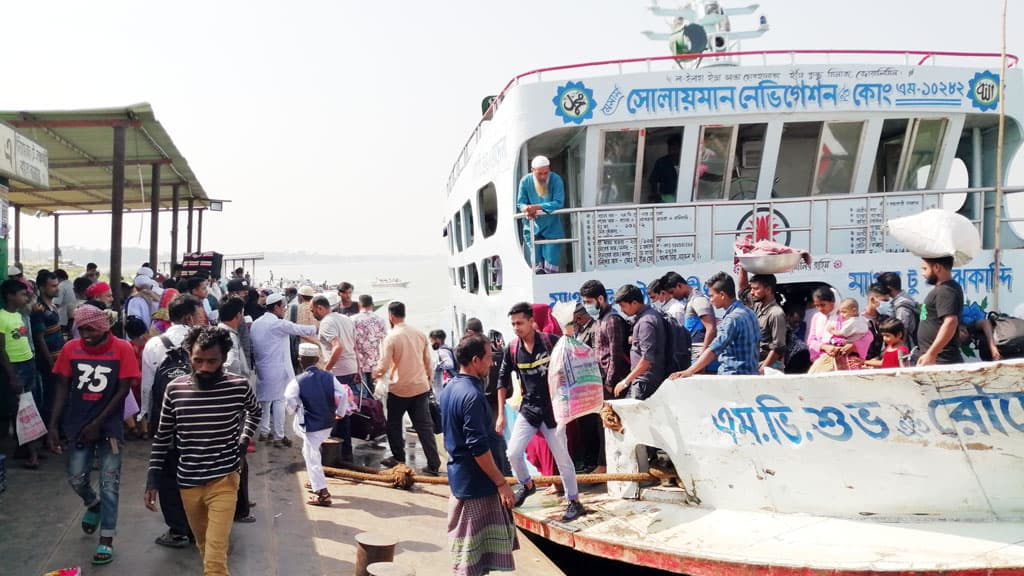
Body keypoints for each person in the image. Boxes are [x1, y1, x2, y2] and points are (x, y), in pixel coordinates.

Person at [145, 326, 261, 576]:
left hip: (225, 480)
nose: (205, 367)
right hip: (188, 483)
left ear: (223, 358)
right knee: (204, 545)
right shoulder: (175, 389)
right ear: (189, 355)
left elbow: (255, 411)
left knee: (215, 561)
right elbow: (163, 436)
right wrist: (152, 479)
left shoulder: (238, 386)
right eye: (198, 360)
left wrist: (243, 440)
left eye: (212, 361)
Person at [47, 304, 138, 566]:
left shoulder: (122, 348)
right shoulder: (70, 349)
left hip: (109, 427)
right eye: (81, 329)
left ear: (102, 327)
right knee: (76, 477)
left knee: (110, 483)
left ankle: (106, 539)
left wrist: (99, 422)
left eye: (90, 328)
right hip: (77, 423)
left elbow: (122, 390)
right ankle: (92, 503)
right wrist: (53, 425)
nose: (85, 334)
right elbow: (62, 386)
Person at [498, 302, 586, 522]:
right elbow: (501, 380)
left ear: (531, 322)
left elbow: (574, 362)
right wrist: (501, 414)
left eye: (520, 323)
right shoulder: (512, 349)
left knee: (563, 458)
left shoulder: (550, 342)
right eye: (513, 324)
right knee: (513, 453)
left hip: (553, 411)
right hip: (529, 409)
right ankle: (527, 484)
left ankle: (574, 501)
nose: (516, 327)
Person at [441, 334, 518, 575]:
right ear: (475, 360)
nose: (492, 364)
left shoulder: (450, 387)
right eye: (488, 358)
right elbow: (478, 448)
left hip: (463, 479)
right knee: (469, 562)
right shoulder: (472, 396)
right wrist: (501, 482)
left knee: (475, 559)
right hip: (476, 484)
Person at [140, 294, 202, 548]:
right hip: (199, 419)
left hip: (166, 419)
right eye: (199, 314)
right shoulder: (204, 340)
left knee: (167, 474)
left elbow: (147, 386)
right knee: (198, 471)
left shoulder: (154, 344)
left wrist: (146, 415)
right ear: (189, 317)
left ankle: (177, 531)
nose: (202, 319)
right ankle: (198, 526)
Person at [372, 301, 442, 476]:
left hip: (400, 388)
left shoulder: (391, 337)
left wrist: (376, 373)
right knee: (424, 427)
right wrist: (429, 380)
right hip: (420, 387)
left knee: (394, 424)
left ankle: (398, 458)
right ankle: (433, 464)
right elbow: (428, 362)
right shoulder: (419, 334)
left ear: (391, 316)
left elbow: (384, 364)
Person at [284, 343, 349, 507]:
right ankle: (316, 482)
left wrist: (293, 410)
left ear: (300, 360)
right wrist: (340, 413)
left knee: (311, 455)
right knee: (309, 451)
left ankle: (322, 493)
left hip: (311, 425)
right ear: (317, 359)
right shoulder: (329, 377)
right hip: (327, 423)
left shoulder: (297, 381)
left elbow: (289, 398)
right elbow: (342, 394)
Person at [251, 292, 317, 446]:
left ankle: (264, 431)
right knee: (279, 401)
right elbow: (302, 330)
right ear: (276, 307)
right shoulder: (278, 324)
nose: (285, 310)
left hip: (262, 368)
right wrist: (322, 324)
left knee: (265, 402)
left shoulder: (256, 323)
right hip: (277, 370)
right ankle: (279, 436)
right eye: (284, 307)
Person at [672, 272, 760, 378]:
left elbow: (715, 348)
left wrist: (690, 370)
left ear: (722, 295)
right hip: (751, 374)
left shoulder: (731, 319)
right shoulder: (749, 313)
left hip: (732, 376)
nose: (710, 300)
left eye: (712, 295)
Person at [217, 296, 257, 523]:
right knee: (238, 456)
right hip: (234, 405)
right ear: (238, 316)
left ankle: (241, 500)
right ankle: (239, 507)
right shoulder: (228, 338)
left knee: (238, 456)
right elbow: (231, 368)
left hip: (231, 404)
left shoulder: (224, 334)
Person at [310, 296, 357, 462]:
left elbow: (338, 347)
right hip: (350, 369)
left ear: (320, 308)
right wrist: (356, 366)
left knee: (336, 415)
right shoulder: (345, 319)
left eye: (313, 310)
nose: (312, 313)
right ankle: (345, 452)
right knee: (345, 411)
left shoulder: (326, 323)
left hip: (337, 372)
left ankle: (340, 454)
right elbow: (354, 344)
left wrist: (326, 370)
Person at [0, 279, 40, 468]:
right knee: (23, 411)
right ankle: (31, 453)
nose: (26, 297)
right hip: (15, 367)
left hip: (27, 363)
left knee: (28, 407)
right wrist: (12, 375)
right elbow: (1, 350)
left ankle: (24, 448)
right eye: (23, 294)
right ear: (10, 296)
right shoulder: (2, 317)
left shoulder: (19, 315)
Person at [611, 285, 666, 399]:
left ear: (635, 303)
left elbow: (647, 359)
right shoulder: (646, 316)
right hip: (642, 379)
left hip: (644, 381)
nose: (621, 310)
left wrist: (626, 381)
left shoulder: (646, 322)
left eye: (623, 306)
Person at [517, 155, 565, 274]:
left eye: (546, 173)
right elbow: (520, 203)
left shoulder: (556, 179)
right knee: (537, 266)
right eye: (540, 173)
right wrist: (527, 209)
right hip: (532, 227)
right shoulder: (525, 181)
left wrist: (536, 207)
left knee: (551, 264)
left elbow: (559, 202)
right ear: (532, 171)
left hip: (552, 227)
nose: (543, 176)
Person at [917, 256, 964, 366]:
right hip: (935, 359)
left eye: (925, 269)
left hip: (941, 361)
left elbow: (950, 322)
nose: (922, 273)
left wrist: (931, 354)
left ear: (937, 267)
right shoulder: (945, 289)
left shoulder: (946, 291)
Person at [662, 271, 717, 367]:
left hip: (702, 356)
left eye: (672, 292)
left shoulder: (698, 300)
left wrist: (702, 359)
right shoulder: (690, 301)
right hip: (695, 355)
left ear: (679, 285)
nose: (672, 296)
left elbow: (711, 329)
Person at [31, 270, 65, 421]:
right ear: (42, 287)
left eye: (57, 285)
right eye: (53, 286)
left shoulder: (52, 306)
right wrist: (50, 362)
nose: (57, 288)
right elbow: (39, 338)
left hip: (57, 358)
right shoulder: (39, 310)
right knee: (50, 397)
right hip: (48, 360)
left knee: (57, 395)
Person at [739, 272, 786, 372]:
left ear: (768, 290)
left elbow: (778, 348)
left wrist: (762, 370)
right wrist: (742, 267)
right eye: (752, 288)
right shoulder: (758, 305)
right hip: (756, 364)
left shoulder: (776, 314)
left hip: (771, 367)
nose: (752, 292)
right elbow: (743, 289)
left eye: (756, 289)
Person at [352, 294, 387, 397]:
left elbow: (351, 341)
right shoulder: (380, 319)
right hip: (376, 363)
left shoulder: (353, 320)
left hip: (359, 364)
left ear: (359, 305)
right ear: (372, 305)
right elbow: (385, 342)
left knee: (363, 396)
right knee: (377, 394)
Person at [877, 271, 920, 352]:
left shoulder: (902, 306)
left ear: (889, 288)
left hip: (905, 352)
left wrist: (896, 352)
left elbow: (901, 332)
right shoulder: (906, 298)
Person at [648, 133, 682, 203]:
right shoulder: (661, 162)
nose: (672, 152)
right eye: (670, 149)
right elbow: (653, 181)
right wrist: (657, 198)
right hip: (665, 199)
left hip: (684, 199)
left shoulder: (688, 162)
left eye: (675, 149)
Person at [429, 329, 458, 398]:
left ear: (438, 340)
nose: (431, 343)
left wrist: (437, 365)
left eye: (432, 340)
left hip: (450, 382)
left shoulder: (442, 351)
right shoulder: (448, 348)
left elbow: (449, 364)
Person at [54, 268, 78, 334]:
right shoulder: (71, 284)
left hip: (63, 319)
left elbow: (56, 304)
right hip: (72, 317)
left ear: (57, 278)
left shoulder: (61, 286)